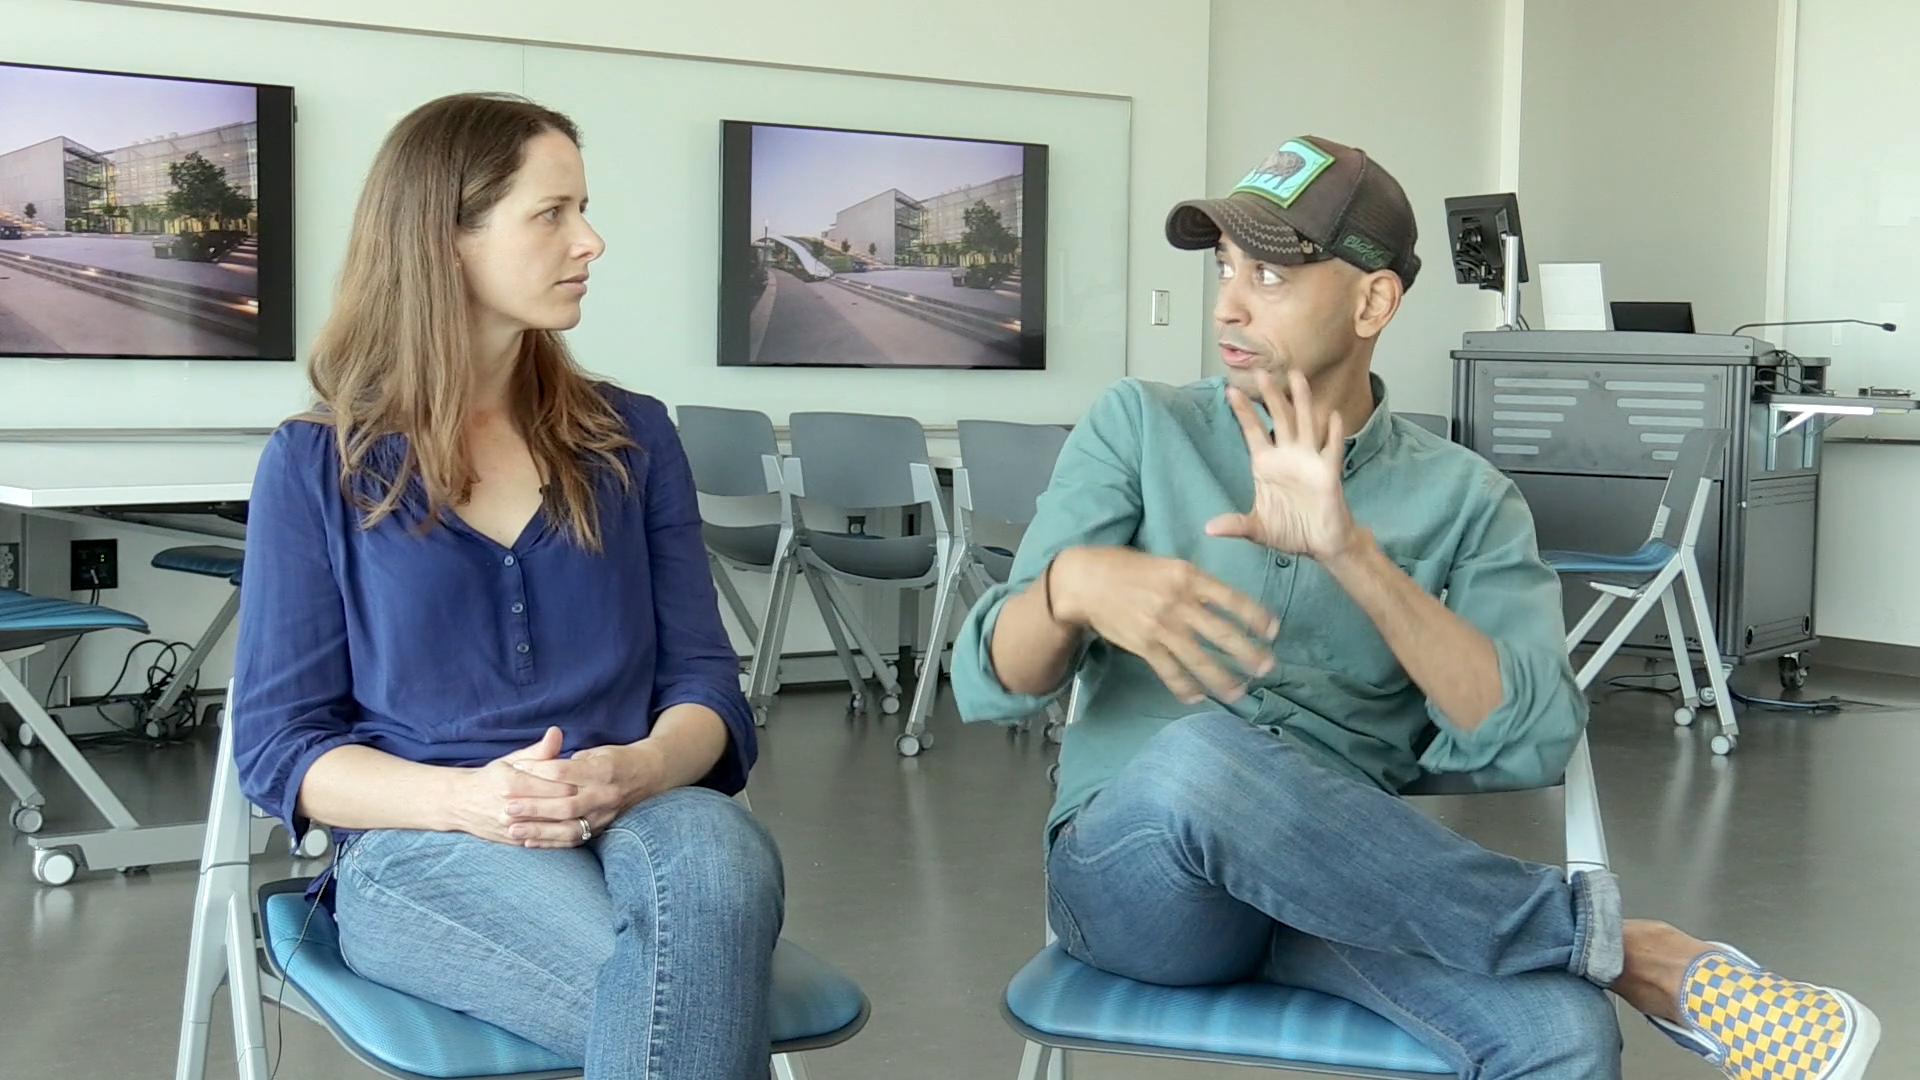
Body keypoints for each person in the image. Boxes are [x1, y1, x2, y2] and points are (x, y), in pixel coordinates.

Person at [951, 136, 1879, 1080]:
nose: (1227, 304)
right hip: (1137, 890)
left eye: (1268, 274)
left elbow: (1529, 739)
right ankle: (1633, 950)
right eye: (1225, 270)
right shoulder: (1141, 426)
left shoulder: (1468, 500)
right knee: (1195, 763)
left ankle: (1592, 953)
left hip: (1340, 896)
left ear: (1373, 300)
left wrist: (1353, 554)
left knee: (1562, 1034)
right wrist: (1072, 585)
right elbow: (993, 682)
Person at [232, 93, 782, 1080]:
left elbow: (705, 686)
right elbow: (282, 752)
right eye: (553, 213)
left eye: (585, 208)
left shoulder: (635, 436)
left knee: (719, 878)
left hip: (652, 804)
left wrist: (641, 770)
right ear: (446, 238)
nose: (592, 240)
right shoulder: (317, 463)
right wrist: (471, 801)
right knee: (678, 989)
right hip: (424, 842)